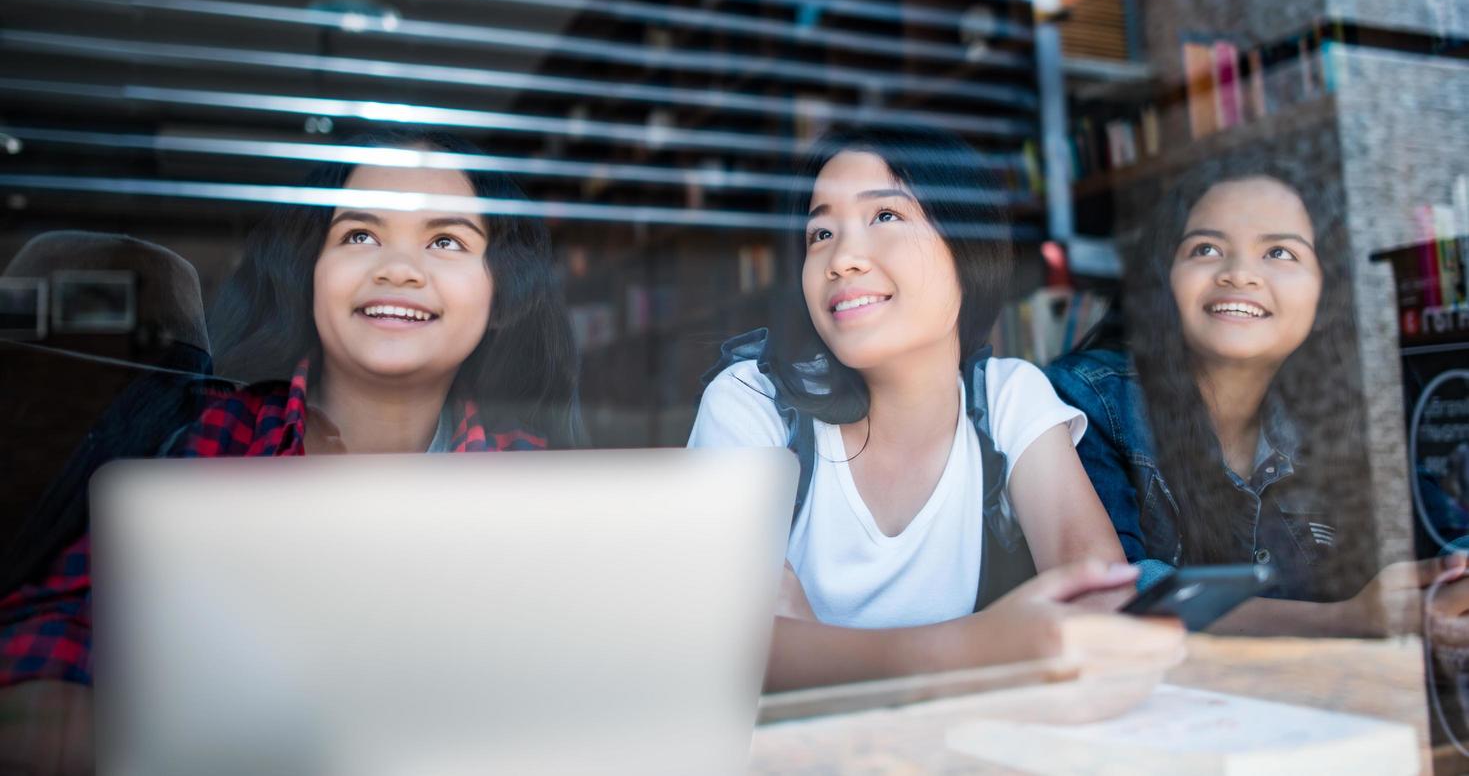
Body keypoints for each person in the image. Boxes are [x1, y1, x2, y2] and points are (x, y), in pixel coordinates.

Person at [0, 130, 581, 773]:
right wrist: (52, 694)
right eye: (358, 235)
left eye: (446, 241)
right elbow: (59, 619)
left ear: (501, 297)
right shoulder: (212, 440)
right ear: (309, 273)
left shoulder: (536, 486)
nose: (397, 268)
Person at [688, 125, 1181, 691]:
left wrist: (815, 645)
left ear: (966, 248)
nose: (841, 259)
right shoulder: (754, 403)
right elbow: (736, 647)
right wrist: (983, 645)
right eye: (820, 232)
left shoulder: (1007, 398)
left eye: (886, 217)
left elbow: (1098, 603)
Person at [1045, 160, 1467, 636]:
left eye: (1280, 253)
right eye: (1206, 248)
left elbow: (1444, 539)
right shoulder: (1089, 401)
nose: (1239, 274)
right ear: (1163, 279)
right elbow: (1114, 598)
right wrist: (1346, 619)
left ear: (1326, 290)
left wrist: (1448, 584)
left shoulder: (1346, 413)